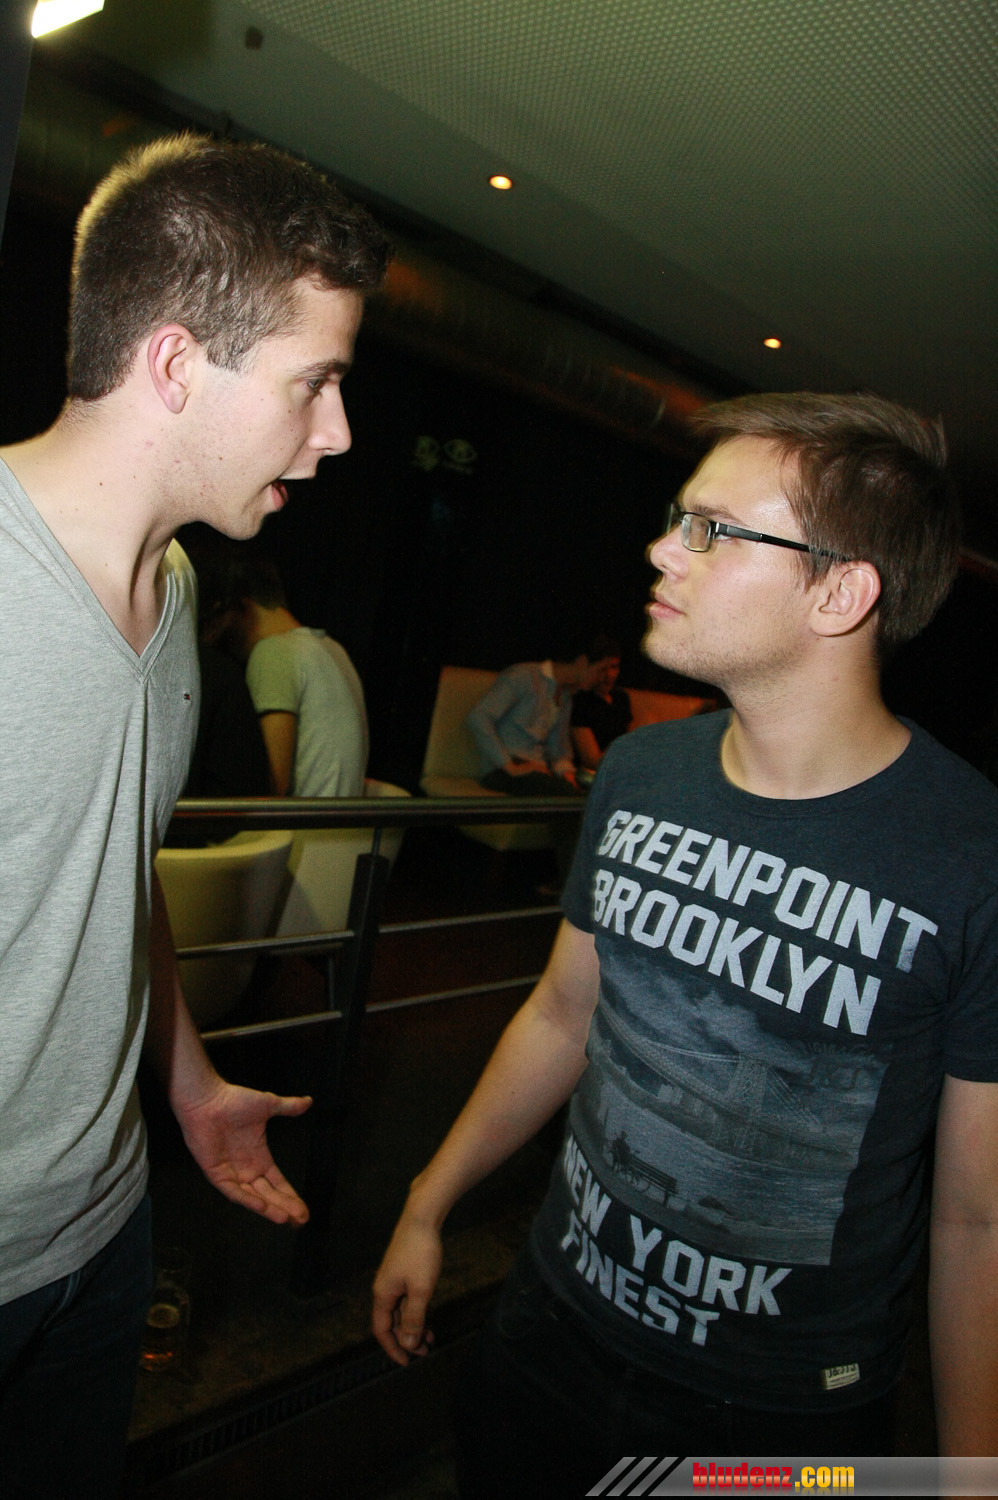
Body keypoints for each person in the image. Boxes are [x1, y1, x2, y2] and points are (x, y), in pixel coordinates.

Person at [372, 392, 998, 1492]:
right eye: (678, 518)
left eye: (712, 529)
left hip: (774, 1414)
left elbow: (973, 1217)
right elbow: (561, 1014)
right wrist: (430, 1199)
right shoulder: (639, 773)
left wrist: (970, 1472)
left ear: (841, 592)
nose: (663, 549)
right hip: (550, 1323)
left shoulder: (969, 854)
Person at [0, 133, 390, 1499]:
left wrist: (185, 1080)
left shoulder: (171, 598)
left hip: (103, 1231)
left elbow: (109, 879)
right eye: (313, 383)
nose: (337, 432)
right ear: (175, 363)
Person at [207, 548, 369, 797]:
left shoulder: (273, 652)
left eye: (215, 616)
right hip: (339, 821)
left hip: (303, 823)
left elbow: (270, 786)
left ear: (240, 604)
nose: (210, 633)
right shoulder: (333, 649)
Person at [467, 653, 610, 796]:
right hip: (503, 770)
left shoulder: (565, 696)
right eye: (601, 670)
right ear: (582, 661)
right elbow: (478, 717)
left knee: (593, 793)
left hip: (538, 771)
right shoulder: (524, 676)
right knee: (564, 794)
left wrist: (568, 773)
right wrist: (510, 766)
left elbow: (559, 751)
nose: (602, 677)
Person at [570, 635, 632, 772]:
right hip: (596, 772)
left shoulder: (621, 698)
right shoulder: (581, 702)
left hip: (622, 765)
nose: (608, 675)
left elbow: (631, 738)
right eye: (603, 669)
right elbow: (591, 760)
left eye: (614, 667)